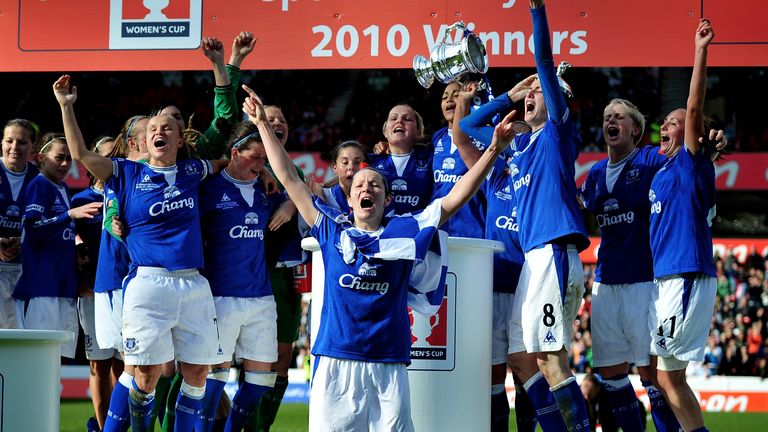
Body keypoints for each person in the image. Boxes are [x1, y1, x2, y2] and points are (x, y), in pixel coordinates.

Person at [242, 83, 517, 431]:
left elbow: (455, 199)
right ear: (350, 199)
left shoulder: (404, 233)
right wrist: (263, 124)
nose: (365, 188)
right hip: (335, 363)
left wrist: (494, 147)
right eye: (359, 186)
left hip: (389, 367)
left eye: (374, 185)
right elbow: (287, 177)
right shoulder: (332, 230)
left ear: (387, 200)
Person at [54, 74, 227, 432]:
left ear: (179, 138)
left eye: (167, 127)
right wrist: (66, 107)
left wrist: (268, 173)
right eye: (152, 130)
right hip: (148, 284)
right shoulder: (127, 172)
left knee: (197, 372)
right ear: (144, 141)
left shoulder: (194, 170)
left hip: (194, 284)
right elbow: (80, 155)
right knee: (145, 376)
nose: (159, 132)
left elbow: (232, 160)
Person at [455, 81, 567, 431]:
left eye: (521, 137)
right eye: (509, 139)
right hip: (492, 287)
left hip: (528, 285)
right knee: (492, 378)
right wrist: (511, 99)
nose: (515, 144)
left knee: (526, 374)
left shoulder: (539, 177)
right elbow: (465, 128)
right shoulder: (495, 179)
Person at [503, 1, 592, 429]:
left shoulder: (556, 132)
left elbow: (544, 60)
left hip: (553, 253)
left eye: (539, 90)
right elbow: (470, 130)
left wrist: (537, 9)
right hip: (532, 261)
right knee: (520, 359)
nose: (532, 94)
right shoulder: (520, 149)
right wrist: (509, 96)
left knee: (551, 360)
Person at [578, 98, 682, 432]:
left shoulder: (649, 159)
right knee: (610, 374)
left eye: (619, 117)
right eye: (607, 116)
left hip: (644, 283)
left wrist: (710, 145)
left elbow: (684, 153)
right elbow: (577, 203)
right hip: (605, 283)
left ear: (635, 129)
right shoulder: (594, 174)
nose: (611, 120)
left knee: (651, 374)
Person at [648, 19, 717, 432]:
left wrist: (700, 50)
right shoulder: (661, 172)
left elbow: (694, 108)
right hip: (666, 280)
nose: (667, 126)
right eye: (666, 123)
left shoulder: (691, 163)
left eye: (673, 123)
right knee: (668, 376)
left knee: (668, 376)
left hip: (685, 274)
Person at [196, 122, 285, 431]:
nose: (261, 165)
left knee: (261, 381)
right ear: (235, 153)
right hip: (220, 295)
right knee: (212, 380)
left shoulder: (267, 189)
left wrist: (287, 204)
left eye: (264, 160)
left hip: (261, 296)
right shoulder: (209, 189)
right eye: (255, 157)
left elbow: (303, 196)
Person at [12, 133, 102, 358]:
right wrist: (69, 215)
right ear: (41, 158)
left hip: (63, 286)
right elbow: (33, 228)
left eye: (69, 159)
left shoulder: (61, 189)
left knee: (55, 357)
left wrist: (76, 251)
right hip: (42, 287)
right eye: (59, 158)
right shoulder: (39, 185)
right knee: (37, 356)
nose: (65, 164)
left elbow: (58, 234)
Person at [71, 135, 124, 432]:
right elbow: (70, 245)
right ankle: (103, 427)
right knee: (99, 365)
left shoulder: (126, 192)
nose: (107, 163)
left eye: (112, 158)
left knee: (123, 365)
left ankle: (119, 425)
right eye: (101, 157)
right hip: (92, 292)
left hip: (125, 289)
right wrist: (79, 275)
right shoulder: (80, 200)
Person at [430, 82, 486, 238]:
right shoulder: (436, 139)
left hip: (472, 229)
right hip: (438, 228)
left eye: (456, 95)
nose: (449, 100)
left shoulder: (483, 136)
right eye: (444, 97)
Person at [0, 118, 38, 329]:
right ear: (2, 143)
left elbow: (47, 225)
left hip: (24, 269)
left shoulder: (39, 179)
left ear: (32, 147)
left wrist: (24, 242)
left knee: (18, 333)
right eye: (9, 141)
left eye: (22, 142)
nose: (14, 147)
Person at [369, 104, 433, 214]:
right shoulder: (371, 161)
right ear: (385, 131)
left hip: (419, 229)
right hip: (383, 230)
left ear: (418, 132)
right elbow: (344, 178)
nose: (399, 122)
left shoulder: (431, 156)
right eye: (393, 118)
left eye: (407, 119)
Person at [315, 140, 368, 215]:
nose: (351, 167)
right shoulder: (322, 196)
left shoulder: (377, 197)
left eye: (357, 162)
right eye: (345, 162)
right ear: (335, 167)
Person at [580, 373, 647, 432]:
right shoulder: (581, 394)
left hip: (634, 410)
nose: (586, 397)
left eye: (589, 395)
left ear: (598, 388)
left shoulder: (606, 396)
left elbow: (608, 424)